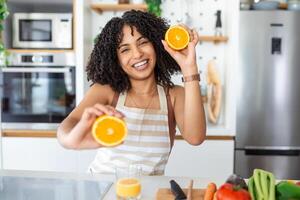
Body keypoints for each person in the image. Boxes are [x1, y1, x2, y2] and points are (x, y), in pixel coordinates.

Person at [57, 10, 206, 175]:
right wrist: (72, 139)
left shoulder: (174, 95)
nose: (137, 54)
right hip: (103, 189)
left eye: (143, 42)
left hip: (150, 193)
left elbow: (195, 138)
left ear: (157, 44)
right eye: (125, 50)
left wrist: (189, 67)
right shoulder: (106, 91)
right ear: (115, 59)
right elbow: (65, 129)